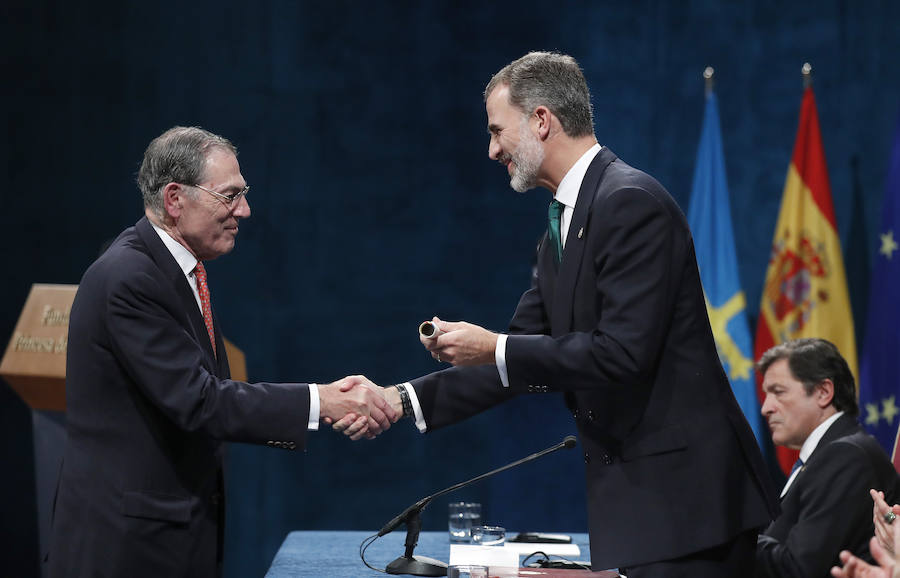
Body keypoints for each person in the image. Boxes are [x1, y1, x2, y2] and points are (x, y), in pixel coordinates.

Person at [336, 51, 778, 577]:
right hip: (647, 509)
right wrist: (398, 400)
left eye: (499, 131)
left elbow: (622, 354)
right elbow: (517, 364)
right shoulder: (560, 228)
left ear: (541, 120)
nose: (492, 148)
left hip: (691, 506)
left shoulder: (631, 202)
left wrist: (493, 346)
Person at [46, 126, 397, 578]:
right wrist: (322, 400)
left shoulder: (172, 270)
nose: (244, 211)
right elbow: (201, 400)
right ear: (175, 198)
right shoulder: (129, 277)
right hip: (126, 548)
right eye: (230, 196)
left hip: (168, 533)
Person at [756, 338, 900, 577]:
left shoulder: (846, 455)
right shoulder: (826, 455)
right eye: (766, 394)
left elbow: (799, 568)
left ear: (823, 392)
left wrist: (735, 536)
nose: (766, 407)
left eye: (778, 392)